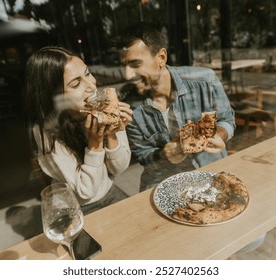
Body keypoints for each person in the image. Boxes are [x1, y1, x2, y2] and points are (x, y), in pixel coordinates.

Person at [117, 23, 236, 191]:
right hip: (162, 180)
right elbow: (142, 155)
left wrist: (219, 135)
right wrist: (162, 155)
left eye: (135, 64)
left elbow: (227, 120)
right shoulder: (129, 107)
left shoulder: (205, 80)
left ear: (162, 57)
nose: (127, 75)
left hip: (211, 172)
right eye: (124, 66)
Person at [24, 46, 133, 214]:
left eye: (88, 73)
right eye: (75, 84)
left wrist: (111, 133)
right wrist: (95, 142)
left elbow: (118, 169)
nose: (91, 86)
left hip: (109, 193)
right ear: (54, 96)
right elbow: (85, 191)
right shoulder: (46, 131)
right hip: (74, 206)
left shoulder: (105, 108)